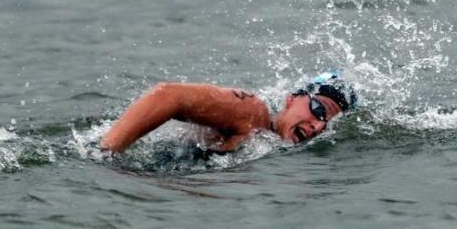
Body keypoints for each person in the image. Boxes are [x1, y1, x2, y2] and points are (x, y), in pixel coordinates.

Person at [100, 71, 357, 153]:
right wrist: (108, 154)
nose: (319, 125)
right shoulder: (252, 112)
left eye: (329, 122)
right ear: (291, 99)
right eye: (319, 109)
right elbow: (168, 94)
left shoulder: (270, 143)